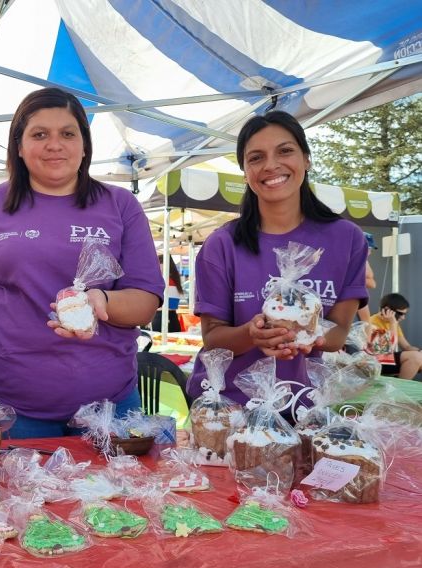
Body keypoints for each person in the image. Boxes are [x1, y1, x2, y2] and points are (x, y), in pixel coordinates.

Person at [0, 87, 165, 438]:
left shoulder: (120, 206)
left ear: (84, 145)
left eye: (68, 134)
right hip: (8, 407)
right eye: (39, 134)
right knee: (8, 494)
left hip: (109, 407)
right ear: (19, 146)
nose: (54, 144)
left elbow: (145, 301)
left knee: (110, 495)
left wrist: (101, 302)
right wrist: (4, 306)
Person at [186, 110, 368, 409]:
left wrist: (310, 335)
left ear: (306, 159)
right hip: (230, 408)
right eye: (256, 157)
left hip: (305, 406)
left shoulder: (347, 239)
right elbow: (213, 337)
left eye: (285, 151)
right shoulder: (222, 244)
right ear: (245, 171)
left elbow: (338, 334)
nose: (271, 166)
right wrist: (252, 334)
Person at [367, 293, 422, 379]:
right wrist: (393, 323)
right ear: (387, 310)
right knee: (415, 357)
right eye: (400, 313)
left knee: (419, 357)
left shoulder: (393, 323)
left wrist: (420, 350)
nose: (403, 317)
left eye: (405, 314)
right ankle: (399, 390)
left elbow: (407, 346)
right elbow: (386, 351)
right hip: (375, 362)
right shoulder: (373, 323)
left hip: (387, 359)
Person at [151, 256, 183, 333]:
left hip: (161, 318)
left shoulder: (164, 281)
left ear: (164, 265)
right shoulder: (175, 280)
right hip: (173, 319)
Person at [357, 232, 378, 322]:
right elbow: (370, 283)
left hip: (359, 301)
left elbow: (371, 281)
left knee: (366, 325)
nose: (369, 252)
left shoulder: (363, 259)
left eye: (370, 249)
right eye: (367, 248)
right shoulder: (347, 258)